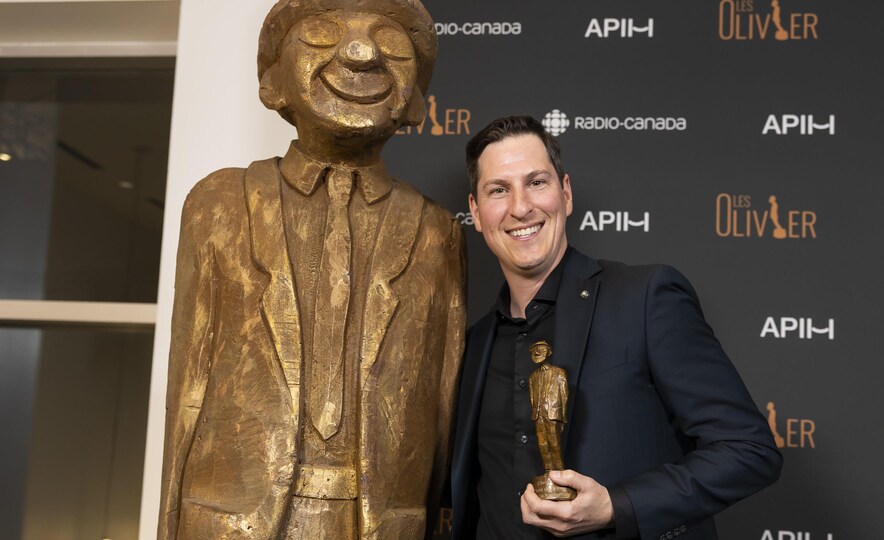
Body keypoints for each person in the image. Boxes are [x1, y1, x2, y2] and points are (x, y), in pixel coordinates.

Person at [158, 1, 465, 539]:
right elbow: (187, 384)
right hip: (229, 521)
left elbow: (441, 414)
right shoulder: (218, 204)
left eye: (390, 41)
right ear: (274, 81)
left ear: (416, 101)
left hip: (379, 524)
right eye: (323, 32)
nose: (361, 51)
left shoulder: (439, 234)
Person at [451, 116, 781, 539]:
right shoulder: (472, 346)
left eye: (536, 182)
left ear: (565, 194)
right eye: (499, 190)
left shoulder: (644, 298)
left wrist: (617, 505)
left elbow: (749, 451)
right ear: (476, 213)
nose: (520, 207)